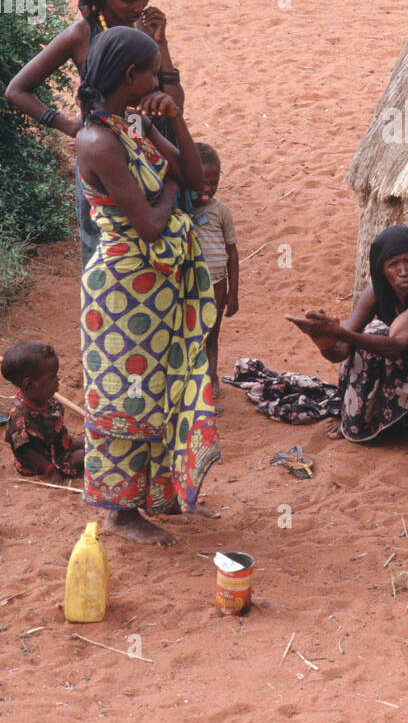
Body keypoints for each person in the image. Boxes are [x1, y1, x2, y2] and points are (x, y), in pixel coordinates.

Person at [76, 27, 218, 545]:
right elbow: (151, 224)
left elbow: (195, 174)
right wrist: (177, 185)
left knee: (157, 389)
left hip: (154, 287)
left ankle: (155, 496)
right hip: (121, 291)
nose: (159, 79)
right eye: (153, 71)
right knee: (124, 396)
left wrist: (175, 119)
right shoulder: (98, 140)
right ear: (130, 76)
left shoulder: (133, 123)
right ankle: (120, 513)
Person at [4, 0, 185, 267]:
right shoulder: (80, 35)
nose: (139, 6)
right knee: (104, 247)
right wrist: (65, 125)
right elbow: (17, 90)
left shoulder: (142, 30)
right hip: (102, 149)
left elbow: (175, 101)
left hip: (149, 145)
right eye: (129, 0)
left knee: (163, 248)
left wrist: (162, 42)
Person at [287, 225, 408, 456]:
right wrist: (324, 341)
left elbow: (401, 343)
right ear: (381, 271)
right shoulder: (374, 294)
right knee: (369, 338)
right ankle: (355, 416)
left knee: (401, 343)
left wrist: (340, 333)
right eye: (393, 265)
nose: (403, 271)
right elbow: (341, 352)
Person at [191, 143, 239, 402]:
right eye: (201, 183)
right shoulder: (182, 210)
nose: (207, 189)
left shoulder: (221, 212)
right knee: (191, 335)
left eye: (214, 182)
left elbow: (232, 253)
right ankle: (193, 385)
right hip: (189, 285)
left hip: (217, 284)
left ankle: (211, 383)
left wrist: (233, 293)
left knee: (212, 334)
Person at [1, 341, 83, 480]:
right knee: (83, 456)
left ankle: (70, 445)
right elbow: (24, 450)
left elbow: (54, 430)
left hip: (55, 447)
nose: (58, 380)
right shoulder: (20, 416)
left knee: (88, 444)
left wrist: (68, 442)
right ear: (30, 384)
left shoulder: (45, 399)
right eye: (52, 377)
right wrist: (50, 471)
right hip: (42, 462)